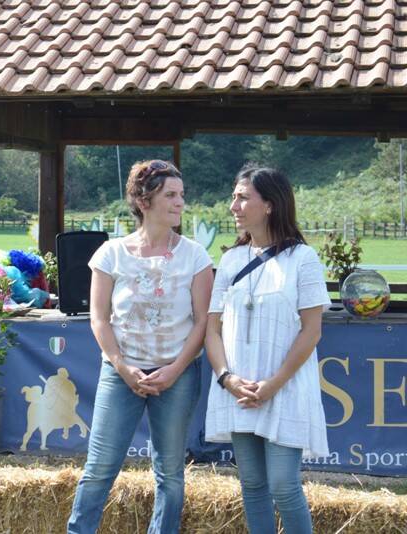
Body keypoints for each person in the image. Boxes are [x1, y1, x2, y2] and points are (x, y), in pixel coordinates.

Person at [67, 160, 214, 533]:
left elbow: (203, 321)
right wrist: (122, 367)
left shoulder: (196, 256)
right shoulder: (110, 254)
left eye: (181, 195)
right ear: (144, 200)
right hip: (120, 373)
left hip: (177, 375)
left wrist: (175, 369)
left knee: (170, 473)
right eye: (171, 195)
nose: (180, 202)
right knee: (100, 468)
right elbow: (99, 318)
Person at [204, 166, 330, 534]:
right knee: (253, 486)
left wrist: (274, 383)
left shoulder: (303, 259)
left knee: (283, 486)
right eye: (234, 196)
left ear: (271, 205)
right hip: (239, 388)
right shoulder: (229, 261)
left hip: (285, 387)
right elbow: (212, 330)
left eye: (242, 197)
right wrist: (227, 378)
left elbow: (312, 331)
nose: (233, 206)